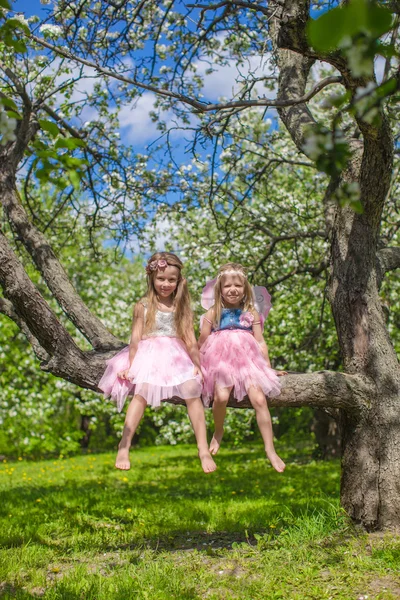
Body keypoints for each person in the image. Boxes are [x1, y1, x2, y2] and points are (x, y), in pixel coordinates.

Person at [99, 252, 217, 474]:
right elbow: (135, 339)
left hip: (176, 354)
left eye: (171, 280)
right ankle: (124, 444)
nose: (166, 284)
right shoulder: (142, 306)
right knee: (142, 392)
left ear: (179, 281)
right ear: (152, 278)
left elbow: (190, 340)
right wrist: (131, 366)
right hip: (149, 354)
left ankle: (202, 448)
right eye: (161, 279)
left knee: (193, 390)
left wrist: (197, 365)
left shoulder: (181, 307)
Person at [198, 262, 286, 472]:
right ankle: (218, 430)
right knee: (220, 397)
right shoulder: (212, 313)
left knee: (259, 399)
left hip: (248, 363)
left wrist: (268, 368)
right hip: (221, 363)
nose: (233, 289)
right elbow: (201, 341)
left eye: (238, 285)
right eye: (227, 285)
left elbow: (260, 342)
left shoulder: (251, 313)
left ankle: (270, 449)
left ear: (245, 288)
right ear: (220, 289)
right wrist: (196, 365)